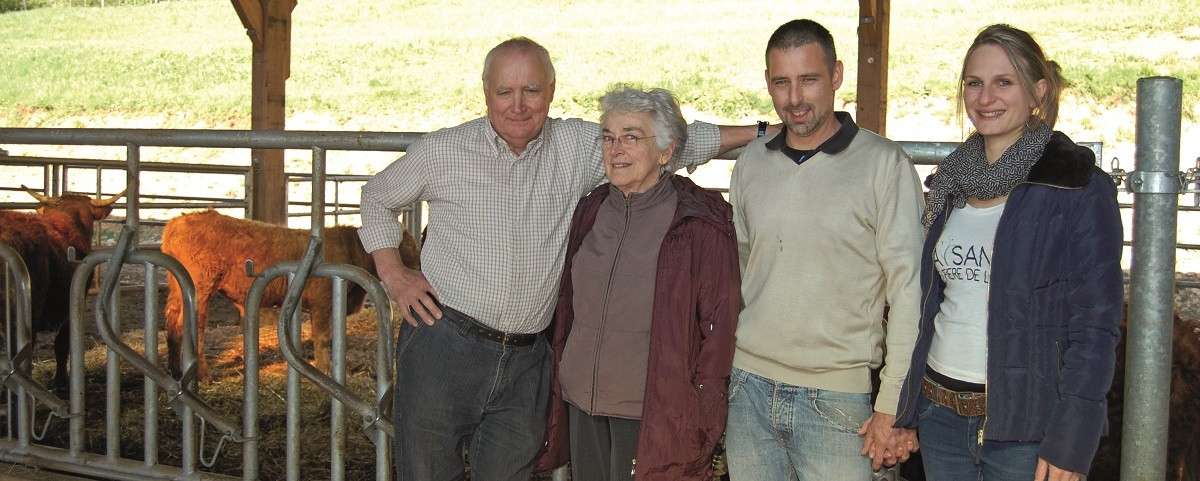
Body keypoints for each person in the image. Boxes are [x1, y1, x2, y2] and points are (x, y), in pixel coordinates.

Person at [358, 37, 760, 481]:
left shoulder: (575, 144)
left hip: (529, 361)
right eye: (503, 92)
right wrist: (394, 274)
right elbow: (376, 197)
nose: (517, 105)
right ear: (485, 91)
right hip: (445, 342)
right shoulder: (443, 151)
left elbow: (667, 139)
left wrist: (765, 133)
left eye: (531, 90)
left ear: (551, 89)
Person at [893, 24, 1123, 481]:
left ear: (1038, 91)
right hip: (941, 417)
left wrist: (1071, 440)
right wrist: (907, 408)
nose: (985, 98)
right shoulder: (950, 184)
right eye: (974, 83)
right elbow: (932, 303)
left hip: (1027, 431)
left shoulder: (1076, 186)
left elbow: (1095, 326)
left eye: (1004, 82)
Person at [723, 19, 924, 480]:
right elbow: (739, 269)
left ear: (835, 75)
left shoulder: (884, 166)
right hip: (748, 390)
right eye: (781, 82)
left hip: (839, 400)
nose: (794, 99)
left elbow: (910, 291)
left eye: (808, 79)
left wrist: (892, 402)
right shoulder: (752, 162)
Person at [533, 86, 742, 480]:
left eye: (631, 137)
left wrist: (704, 419)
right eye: (609, 137)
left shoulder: (699, 223)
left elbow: (718, 331)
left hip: (653, 413)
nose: (616, 149)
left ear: (666, 152)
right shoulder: (591, 209)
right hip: (582, 403)